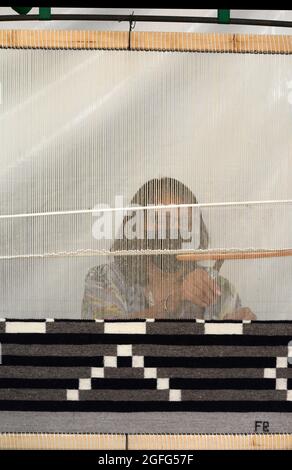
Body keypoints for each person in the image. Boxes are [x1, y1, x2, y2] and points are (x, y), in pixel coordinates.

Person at [81, 177, 255, 320]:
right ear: (135, 228)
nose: (170, 230)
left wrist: (239, 334)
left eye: (182, 221)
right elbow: (104, 340)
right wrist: (174, 300)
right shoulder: (105, 280)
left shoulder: (218, 288)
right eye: (158, 219)